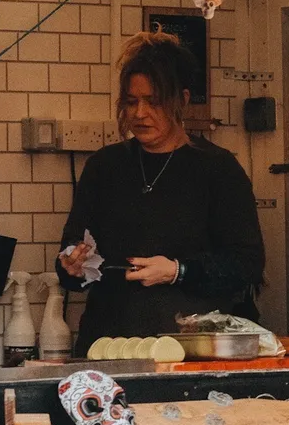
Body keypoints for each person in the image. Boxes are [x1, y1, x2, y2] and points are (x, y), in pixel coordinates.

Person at [56, 32, 264, 359]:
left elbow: (247, 264)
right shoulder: (104, 167)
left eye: (153, 102)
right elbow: (74, 248)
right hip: (110, 346)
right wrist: (72, 265)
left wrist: (177, 270)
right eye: (131, 101)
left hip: (193, 349)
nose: (140, 113)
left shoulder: (217, 169)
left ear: (181, 100)